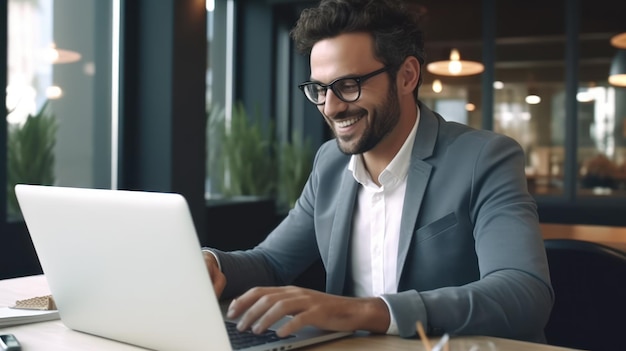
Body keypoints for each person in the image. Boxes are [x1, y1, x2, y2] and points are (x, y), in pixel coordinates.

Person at [203, 0, 554, 343]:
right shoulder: (330, 164)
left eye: (348, 85)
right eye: (320, 89)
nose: (332, 107)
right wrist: (213, 265)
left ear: (407, 76)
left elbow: (523, 291)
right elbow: (272, 263)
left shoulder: (484, 157)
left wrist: (363, 312)